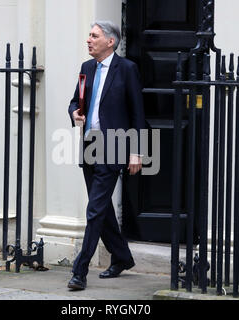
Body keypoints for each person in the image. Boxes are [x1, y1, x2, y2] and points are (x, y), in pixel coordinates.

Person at [67, 21, 146, 290]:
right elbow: (75, 101)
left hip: (115, 145)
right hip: (90, 143)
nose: (88, 40)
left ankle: (80, 270)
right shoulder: (86, 68)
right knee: (101, 208)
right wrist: (74, 112)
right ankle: (122, 256)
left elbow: (137, 113)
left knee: (94, 209)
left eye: (94, 36)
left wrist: (136, 151)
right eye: (89, 35)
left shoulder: (127, 69)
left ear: (110, 41)